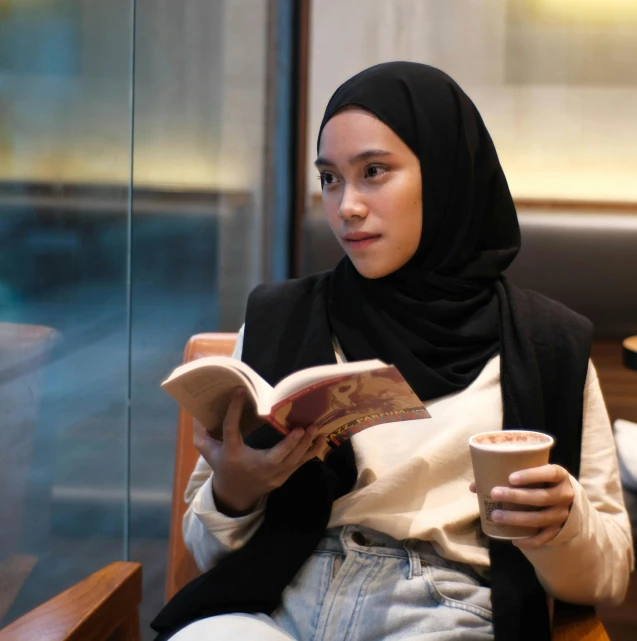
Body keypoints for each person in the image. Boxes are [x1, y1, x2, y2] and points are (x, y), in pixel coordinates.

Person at [153, 63, 634, 641]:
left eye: (373, 172)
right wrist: (235, 490)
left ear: (446, 175)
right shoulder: (281, 320)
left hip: (444, 610)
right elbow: (206, 555)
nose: (346, 205)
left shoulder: (545, 343)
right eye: (330, 178)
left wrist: (560, 523)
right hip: (279, 600)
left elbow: (606, 578)